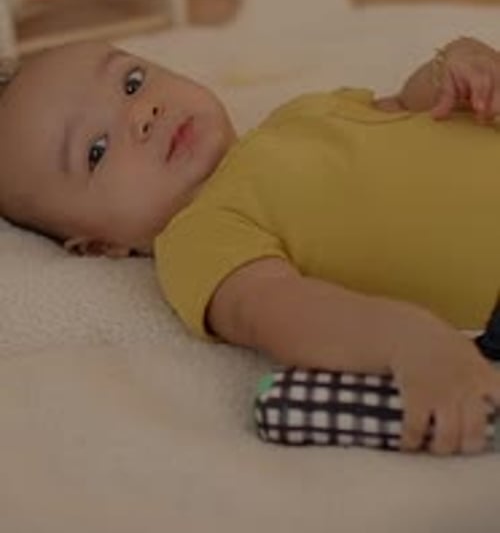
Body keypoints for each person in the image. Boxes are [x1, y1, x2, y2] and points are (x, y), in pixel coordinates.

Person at [1, 34, 500, 457]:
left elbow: (408, 103)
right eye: (97, 151)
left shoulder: (300, 114)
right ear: (96, 246)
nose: (142, 114)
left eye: (132, 82)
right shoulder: (201, 233)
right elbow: (283, 312)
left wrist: (455, 67)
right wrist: (406, 340)